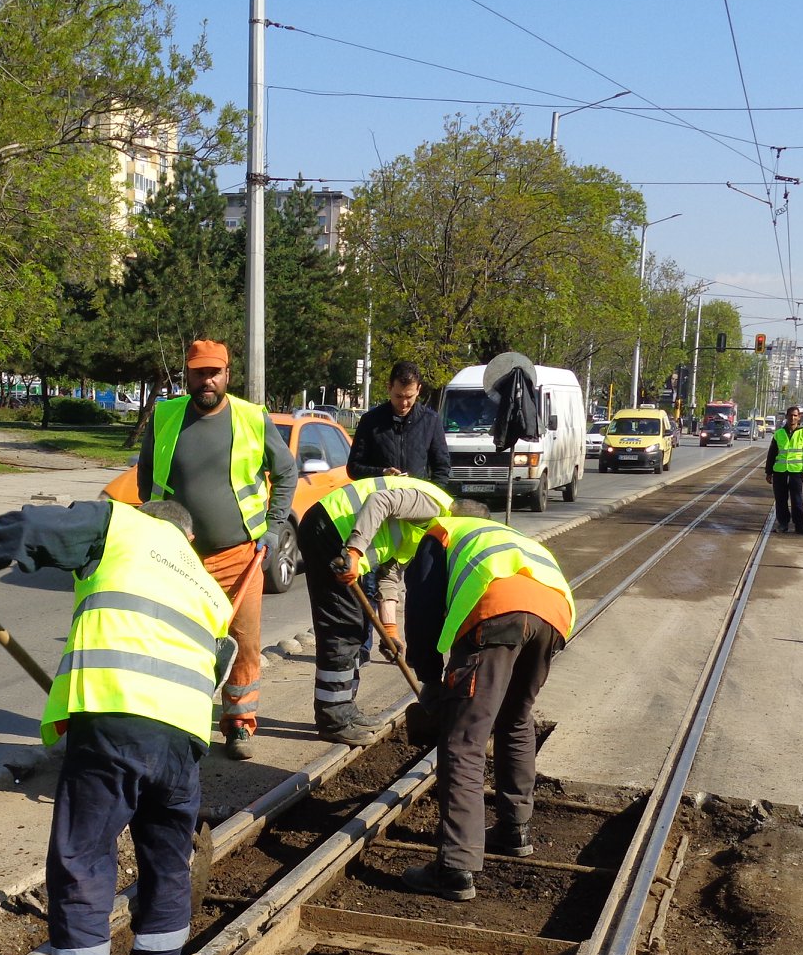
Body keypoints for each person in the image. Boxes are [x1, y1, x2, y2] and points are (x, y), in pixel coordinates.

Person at [0, 498, 233, 955]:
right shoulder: (210, 588)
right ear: (189, 539)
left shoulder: (123, 526)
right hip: (186, 745)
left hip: (116, 724)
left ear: (152, 518)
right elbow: (215, 665)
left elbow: (31, 525)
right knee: (167, 865)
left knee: (83, 864)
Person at [383, 502, 575, 902]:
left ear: (452, 514)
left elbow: (421, 611)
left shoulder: (441, 534)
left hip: (498, 616)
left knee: (464, 743)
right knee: (516, 719)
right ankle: (514, 829)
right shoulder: (508, 537)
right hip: (554, 616)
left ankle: (455, 867)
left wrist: (430, 677)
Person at [137, 340, 298, 760]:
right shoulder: (165, 416)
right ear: (186, 375)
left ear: (227, 374)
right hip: (178, 557)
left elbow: (285, 472)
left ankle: (239, 724)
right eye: (198, 373)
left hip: (239, 555)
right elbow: (145, 481)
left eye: (214, 373)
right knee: (178, 642)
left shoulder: (251, 417)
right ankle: (178, 723)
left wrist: (274, 527)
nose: (206, 380)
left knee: (243, 642)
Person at [300, 472, 455, 743]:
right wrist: (355, 551)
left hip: (338, 538)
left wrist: (390, 631)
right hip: (330, 530)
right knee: (342, 628)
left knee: (357, 627)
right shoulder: (435, 507)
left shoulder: (427, 533)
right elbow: (380, 500)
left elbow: (389, 575)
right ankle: (333, 720)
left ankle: (345, 709)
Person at [347, 361, 451, 481]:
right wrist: (382, 473)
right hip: (381, 497)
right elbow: (354, 468)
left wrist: (430, 497)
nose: (404, 403)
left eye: (409, 397)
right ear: (389, 388)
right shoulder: (370, 421)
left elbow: (442, 468)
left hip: (417, 497)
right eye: (398, 396)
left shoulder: (431, 420)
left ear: (418, 390)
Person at [764, 405, 803, 534]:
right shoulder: (779, 433)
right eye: (790, 415)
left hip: (796, 471)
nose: (792, 418)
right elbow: (772, 453)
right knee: (780, 499)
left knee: (797, 499)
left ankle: (800, 526)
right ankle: (783, 524)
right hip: (779, 471)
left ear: (799, 417)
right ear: (786, 417)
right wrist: (768, 472)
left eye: (795, 415)